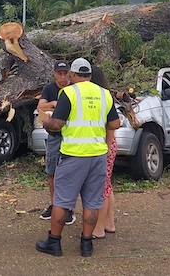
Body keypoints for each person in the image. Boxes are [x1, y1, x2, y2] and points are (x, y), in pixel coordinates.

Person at [35, 57, 120, 258]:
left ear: (73, 75)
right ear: (90, 75)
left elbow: (57, 124)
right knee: (92, 201)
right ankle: (86, 245)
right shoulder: (104, 94)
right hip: (98, 155)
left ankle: (54, 242)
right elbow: (115, 124)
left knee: (63, 200)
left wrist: (46, 121)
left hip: (73, 154)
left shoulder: (69, 92)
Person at [37, 61, 74, 226]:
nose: (63, 76)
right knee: (52, 172)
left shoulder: (74, 89)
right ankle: (54, 205)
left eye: (65, 73)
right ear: (54, 74)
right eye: (60, 73)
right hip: (54, 135)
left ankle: (68, 209)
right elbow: (40, 106)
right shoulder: (50, 89)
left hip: (71, 135)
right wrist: (53, 104)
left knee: (70, 174)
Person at [90, 66, 118, 239]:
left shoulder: (100, 97)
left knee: (101, 188)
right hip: (108, 144)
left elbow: (111, 125)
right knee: (107, 185)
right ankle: (109, 223)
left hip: (105, 145)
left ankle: (99, 228)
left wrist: (107, 146)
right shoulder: (105, 95)